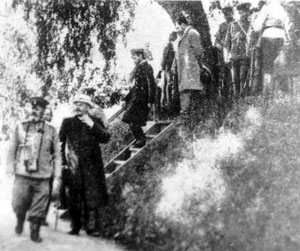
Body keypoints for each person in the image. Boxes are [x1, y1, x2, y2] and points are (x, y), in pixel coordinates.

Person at [6, 97, 61, 243]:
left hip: (43, 175)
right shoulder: (20, 126)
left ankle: (34, 231)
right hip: (22, 174)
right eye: (33, 108)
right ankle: (20, 218)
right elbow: (12, 149)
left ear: (43, 111)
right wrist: (10, 167)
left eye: (38, 109)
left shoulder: (51, 130)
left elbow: (57, 155)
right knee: (18, 203)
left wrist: (57, 175)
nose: (34, 111)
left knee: (39, 205)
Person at [59, 94, 110, 237]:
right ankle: (75, 227)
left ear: (88, 107)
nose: (77, 107)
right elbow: (61, 144)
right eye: (76, 104)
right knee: (73, 197)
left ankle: (89, 227)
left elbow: (105, 138)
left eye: (81, 104)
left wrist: (91, 124)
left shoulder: (95, 121)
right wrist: (63, 163)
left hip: (92, 168)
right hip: (73, 166)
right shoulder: (67, 122)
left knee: (90, 198)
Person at [250, 0, 288, 101]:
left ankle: (267, 96)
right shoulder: (281, 8)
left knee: (267, 68)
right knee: (279, 66)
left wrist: (254, 20)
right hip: (281, 37)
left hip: (269, 36)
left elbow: (257, 27)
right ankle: (281, 96)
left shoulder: (266, 7)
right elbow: (286, 25)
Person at [173, 16, 205, 125]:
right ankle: (185, 114)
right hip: (184, 69)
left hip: (190, 67)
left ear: (183, 24)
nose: (177, 29)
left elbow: (198, 51)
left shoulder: (192, 33)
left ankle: (188, 115)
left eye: (177, 26)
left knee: (189, 89)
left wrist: (196, 64)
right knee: (185, 90)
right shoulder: (183, 36)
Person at [122, 48, 156, 148]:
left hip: (142, 100)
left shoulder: (147, 67)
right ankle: (139, 139)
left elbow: (151, 84)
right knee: (130, 119)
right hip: (136, 99)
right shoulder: (139, 67)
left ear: (141, 56)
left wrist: (150, 100)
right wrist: (127, 99)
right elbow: (135, 86)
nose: (133, 59)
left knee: (133, 120)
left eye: (135, 57)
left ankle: (141, 139)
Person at [224, 2, 251, 97]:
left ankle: (242, 98)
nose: (246, 14)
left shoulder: (251, 25)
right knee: (235, 80)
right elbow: (227, 43)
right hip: (234, 56)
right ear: (239, 12)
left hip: (245, 56)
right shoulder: (232, 25)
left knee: (243, 78)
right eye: (243, 12)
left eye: (247, 12)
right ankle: (236, 99)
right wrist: (226, 56)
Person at [41, 106, 54, 226]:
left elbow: (56, 150)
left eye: (48, 114)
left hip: (48, 166)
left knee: (47, 192)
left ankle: (43, 217)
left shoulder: (53, 131)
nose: (46, 115)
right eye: (44, 113)